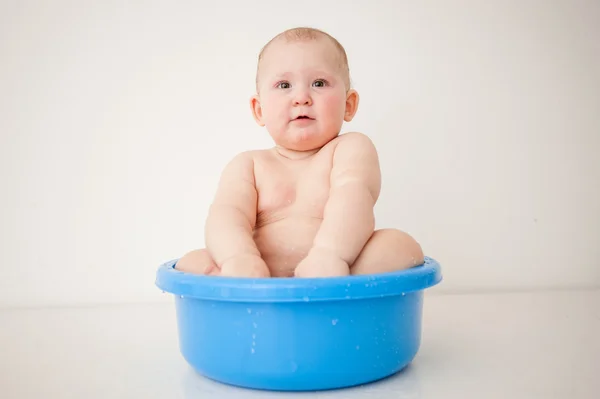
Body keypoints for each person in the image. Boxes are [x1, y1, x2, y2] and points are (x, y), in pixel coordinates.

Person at [175, 27, 424, 278]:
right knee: (190, 262)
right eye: (284, 85)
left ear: (348, 105)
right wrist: (238, 258)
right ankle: (242, 281)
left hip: (335, 268)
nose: (301, 97)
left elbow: (353, 197)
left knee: (400, 246)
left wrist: (329, 255)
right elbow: (227, 215)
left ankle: (335, 281)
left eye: (319, 83)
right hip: (259, 273)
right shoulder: (249, 165)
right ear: (259, 110)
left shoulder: (349, 149)